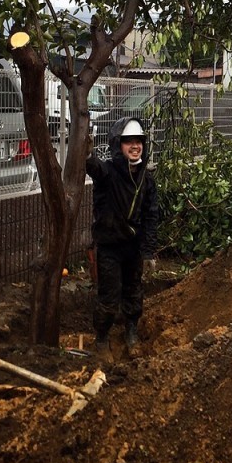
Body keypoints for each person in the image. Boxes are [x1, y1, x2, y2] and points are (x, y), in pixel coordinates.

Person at [85, 116, 159, 360]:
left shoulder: (147, 180)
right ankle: (102, 339)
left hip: (133, 248)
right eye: (129, 142)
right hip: (109, 247)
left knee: (134, 291)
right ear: (119, 144)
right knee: (108, 295)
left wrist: (148, 253)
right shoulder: (108, 173)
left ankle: (131, 333)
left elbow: (150, 217)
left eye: (138, 141)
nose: (135, 146)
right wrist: (86, 151)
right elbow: (93, 166)